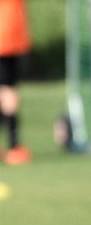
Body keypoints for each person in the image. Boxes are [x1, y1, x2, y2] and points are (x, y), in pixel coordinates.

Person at [0, 0, 32, 164]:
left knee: (7, 93)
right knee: (8, 93)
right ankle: (14, 147)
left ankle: (13, 147)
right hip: (6, 39)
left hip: (11, 39)